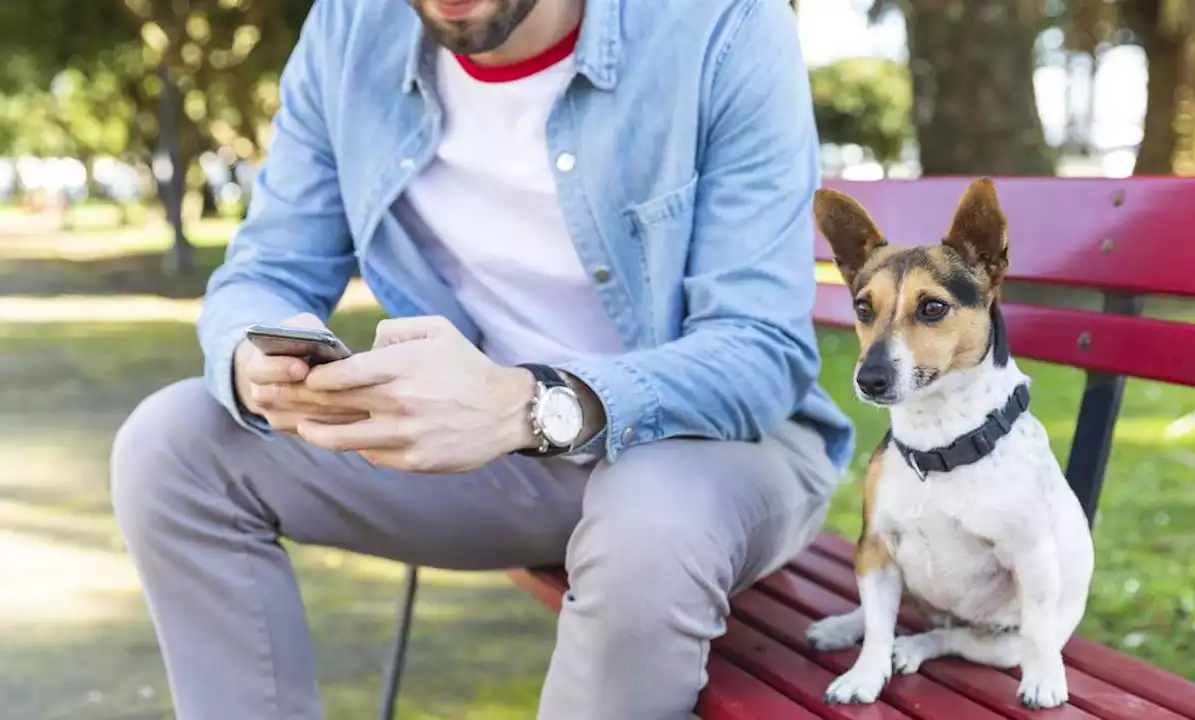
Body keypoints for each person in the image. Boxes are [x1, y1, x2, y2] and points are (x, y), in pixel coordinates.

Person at [109, 0, 855, 717]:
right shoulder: (345, 28)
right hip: (493, 460)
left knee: (648, 524)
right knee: (171, 446)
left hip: (713, 445)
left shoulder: (724, 24)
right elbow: (266, 268)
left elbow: (760, 354)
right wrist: (252, 352)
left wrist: (528, 405)